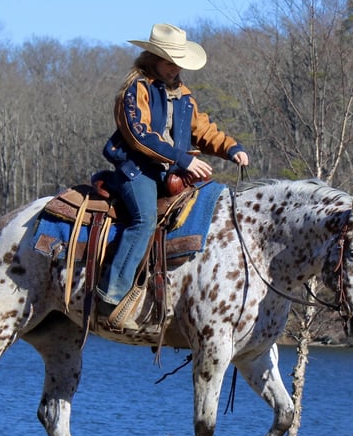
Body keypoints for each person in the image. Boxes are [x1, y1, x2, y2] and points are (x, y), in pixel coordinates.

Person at [96, 23, 249, 330]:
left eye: (179, 62)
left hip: (173, 172)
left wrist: (231, 147)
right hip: (137, 169)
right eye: (170, 61)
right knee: (145, 220)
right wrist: (183, 159)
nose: (175, 68)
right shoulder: (134, 90)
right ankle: (110, 296)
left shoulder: (184, 96)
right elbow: (140, 136)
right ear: (152, 58)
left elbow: (201, 130)